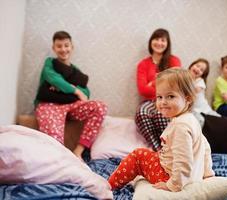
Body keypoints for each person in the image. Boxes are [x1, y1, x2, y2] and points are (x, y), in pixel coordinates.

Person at [108, 68, 215, 191]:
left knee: (138, 156)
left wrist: (173, 185)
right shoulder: (190, 119)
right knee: (155, 154)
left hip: (170, 178)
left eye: (170, 96)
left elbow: (183, 162)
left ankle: (110, 185)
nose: (163, 102)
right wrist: (207, 173)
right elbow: (205, 147)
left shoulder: (180, 126)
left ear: (188, 99)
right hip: (189, 176)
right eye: (159, 97)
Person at [34, 31, 107, 160]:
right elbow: (54, 79)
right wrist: (75, 90)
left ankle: (78, 152)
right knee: (54, 142)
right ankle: (59, 161)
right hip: (49, 106)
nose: (63, 49)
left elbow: (86, 93)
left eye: (66, 45)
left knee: (100, 106)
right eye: (59, 46)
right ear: (54, 48)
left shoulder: (76, 71)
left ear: (72, 47)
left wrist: (67, 88)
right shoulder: (49, 63)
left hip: (71, 106)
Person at [135, 28, 181, 151]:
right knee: (141, 113)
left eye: (163, 40)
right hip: (150, 101)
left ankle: (171, 149)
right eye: (156, 39)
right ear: (151, 41)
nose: (159, 43)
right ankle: (158, 151)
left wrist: (153, 82)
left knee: (161, 114)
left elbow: (175, 84)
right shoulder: (143, 64)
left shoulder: (173, 60)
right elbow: (142, 90)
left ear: (167, 44)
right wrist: (163, 81)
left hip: (169, 101)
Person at [188, 58, 220, 127]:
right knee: (199, 121)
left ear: (202, 75)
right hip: (193, 110)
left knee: (218, 119)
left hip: (204, 109)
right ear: (192, 65)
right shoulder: (184, 77)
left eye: (201, 70)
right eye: (197, 66)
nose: (198, 69)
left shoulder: (200, 81)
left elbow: (195, 90)